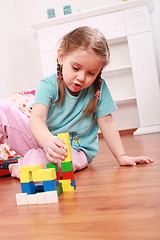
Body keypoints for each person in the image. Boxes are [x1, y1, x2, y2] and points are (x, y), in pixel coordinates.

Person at [0, 26, 153, 178]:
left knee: (40, 163)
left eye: (91, 73)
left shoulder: (98, 90)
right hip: (42, 138)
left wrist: (122, 156)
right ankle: (28, 159)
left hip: (72, 151)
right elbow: (37, 118)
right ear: (61, 57)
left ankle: (13, 166)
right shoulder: (48, 85)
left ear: (98, 72)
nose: (81, 77)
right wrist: (46, 140)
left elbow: (107, 122)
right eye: (76, 68)